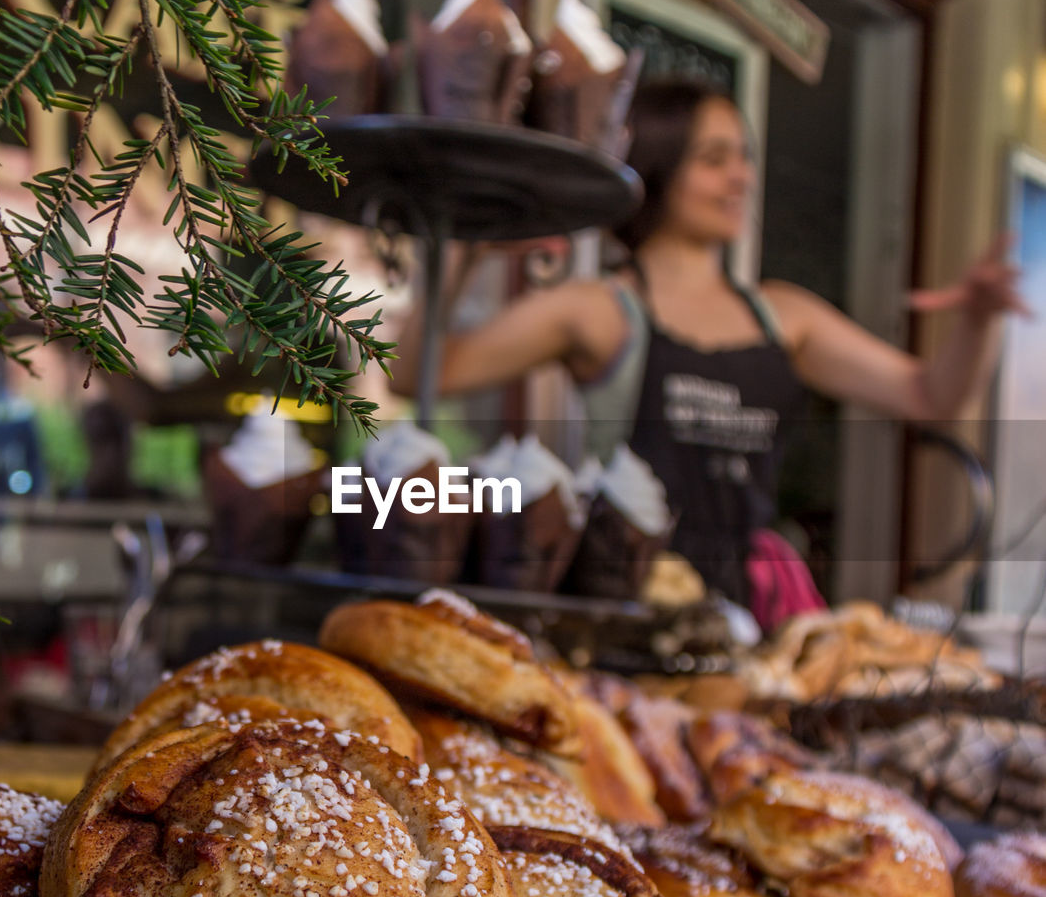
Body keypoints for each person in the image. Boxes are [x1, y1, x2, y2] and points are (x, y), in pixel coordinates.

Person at [388, 77, 1026, 606]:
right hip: (627, 606)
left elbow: (929, 394)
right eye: (714, 159)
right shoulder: (603, 309)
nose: (741, 177)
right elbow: (416, 373)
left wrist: (978, 319)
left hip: (745, 617)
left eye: (743, 156)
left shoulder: (785, 315)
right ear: (660, 169)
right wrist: (464, 247)